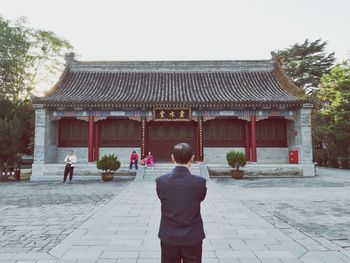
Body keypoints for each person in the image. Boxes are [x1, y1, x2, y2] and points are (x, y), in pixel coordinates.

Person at [156, 143, 207, 263]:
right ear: (192, 158)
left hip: (168, 236)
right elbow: (201, 198)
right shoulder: (200, 183)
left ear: (172, 157)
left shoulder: (161, 181)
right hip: (192, 236)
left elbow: (161, 197)